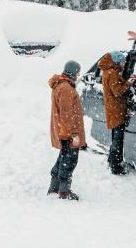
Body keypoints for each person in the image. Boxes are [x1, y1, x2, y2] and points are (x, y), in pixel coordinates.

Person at [48, 60, 86, 200]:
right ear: (72, 72)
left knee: (63, 158)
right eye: (77, 72)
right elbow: (66, 115)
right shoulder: (66, 89)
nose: (78, 74)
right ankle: (64, 191)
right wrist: (74, 134)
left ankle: (54, 187)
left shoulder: (62, 86)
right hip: (68, 133)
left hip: (64, 131)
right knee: (69, 161)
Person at [98, 51, 132, 175]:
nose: (124, 64)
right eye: (122, 61)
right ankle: (116, 167)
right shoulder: (112, 74)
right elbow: (117, 92)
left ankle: (112, 161)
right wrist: (129, 82)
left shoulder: (109, 72)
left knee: (115, 138)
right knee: (118, 140)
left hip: (113, 109)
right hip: (116, 111)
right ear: (117, 61)